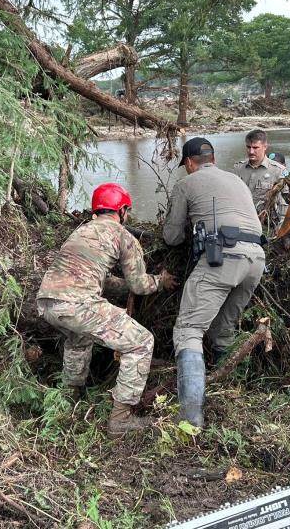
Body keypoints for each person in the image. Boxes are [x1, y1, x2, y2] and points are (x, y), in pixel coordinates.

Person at [36, 183, 176, 437]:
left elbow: (99, 279)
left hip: (47, 302)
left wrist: (122, 287)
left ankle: (70, 400)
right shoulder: (124, 236)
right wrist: (161, 281)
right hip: (77, 304)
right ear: (122, 211)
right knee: (141, 342)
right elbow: (140, 284)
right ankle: (120, 420)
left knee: (78, 339)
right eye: (128, 211)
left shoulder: (80, 233)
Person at [164, 137, 266, 428]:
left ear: (188, 163)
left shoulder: (186, 183)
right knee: (223, 330)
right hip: (256, 259)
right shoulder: (236, 180)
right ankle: (232, 392)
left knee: (188, 330)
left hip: (223, 257)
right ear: (213, 159)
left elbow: (171, 237)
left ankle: (191, 419)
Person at [233, 129, 290, 228]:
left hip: (266, 225)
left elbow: (284, 203)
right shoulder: (238, 168)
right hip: (242, 223)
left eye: (255, 148)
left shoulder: (279, 171)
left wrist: (280, 227)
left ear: (265, 147)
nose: (251, 151)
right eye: (248, 147)